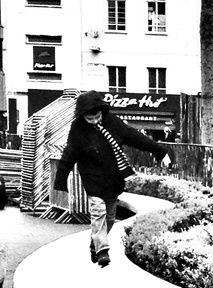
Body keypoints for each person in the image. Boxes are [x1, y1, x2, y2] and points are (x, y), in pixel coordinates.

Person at [53, 91, 172, 268]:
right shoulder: (77, 130)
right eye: (90, 119)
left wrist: (159, 151)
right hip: (92, 180)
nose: (95, 121)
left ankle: (95, 243)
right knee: (98, 212)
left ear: (102, 111)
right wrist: (61, 180)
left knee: (109, 218)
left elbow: (135, 137)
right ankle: (102, 251)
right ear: (83, 115)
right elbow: (68, 155)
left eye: (97, 117)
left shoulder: (112, 122)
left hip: (113, 179)